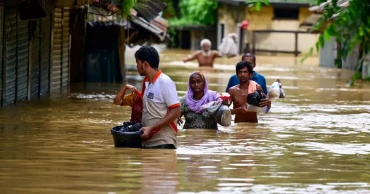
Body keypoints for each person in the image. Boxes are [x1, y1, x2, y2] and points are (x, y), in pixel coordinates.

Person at [113, 46, 181, 149]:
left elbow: (176, 112)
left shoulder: (165, 82)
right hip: (147, 142)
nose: (137, 66)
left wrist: (152, 128)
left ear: (145, 64)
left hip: (163, 142)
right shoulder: (146, 83)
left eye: (137, 63)